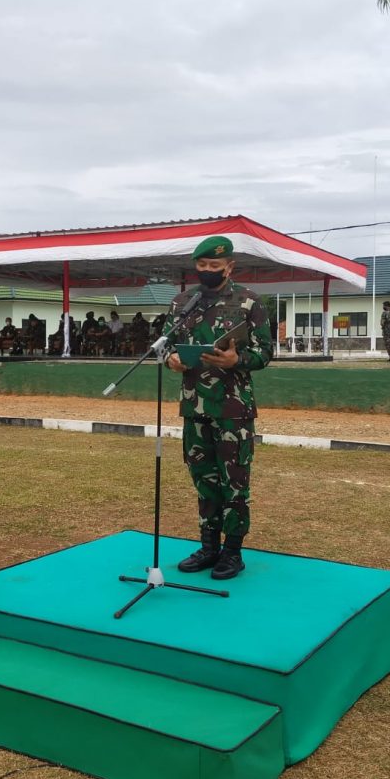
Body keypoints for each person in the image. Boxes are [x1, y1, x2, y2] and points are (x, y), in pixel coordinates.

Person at [164, 235, 274, 580]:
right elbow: (164, 344)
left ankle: (233, 551)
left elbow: (265, 352)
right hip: (194, 406)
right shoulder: (183, 302)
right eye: (202, 265)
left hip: (233, 409)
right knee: (204, 480)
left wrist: (236, 360)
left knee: (234, 482)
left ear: (230, 267)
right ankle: (209, 547)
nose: (208, 270)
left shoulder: (249, 301)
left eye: (215, 265)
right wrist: (171, 360)